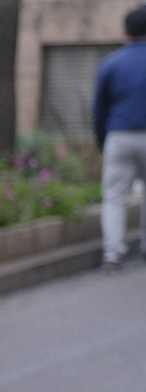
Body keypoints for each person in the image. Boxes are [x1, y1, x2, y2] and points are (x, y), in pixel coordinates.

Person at [94, 4, 146, 275]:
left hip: (119, 135)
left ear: (125, 32)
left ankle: (112, 254)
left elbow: (99, 108)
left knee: (115, 196)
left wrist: (103, 140)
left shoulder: (111, 62)